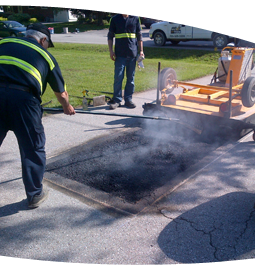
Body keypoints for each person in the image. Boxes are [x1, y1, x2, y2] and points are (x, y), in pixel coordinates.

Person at [0, 23, 75, 209]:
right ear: (43, 40)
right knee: (32, 148)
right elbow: (61, 93)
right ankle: (34, 195)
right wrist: (67, 107)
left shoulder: (4, 43)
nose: (47, 47)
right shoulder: (46, 56)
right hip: (24, 102)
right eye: (47, 43)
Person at [107, 5, 144, 110]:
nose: (124, 9)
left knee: (130, 79)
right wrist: (111, 51)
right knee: (118, 77)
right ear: (120, 7)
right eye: (122, 7)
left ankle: (128, 99)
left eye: (126, 7)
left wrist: (141, 51)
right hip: (120, 55)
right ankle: (117, 100)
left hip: (132, 54)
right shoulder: (114, 19)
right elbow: (110, 36)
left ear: (129, 7)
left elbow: (139, 36)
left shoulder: (135, 18)